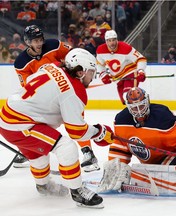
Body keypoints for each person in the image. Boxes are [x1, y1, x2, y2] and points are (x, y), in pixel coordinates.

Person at [0, 48, 114, 208]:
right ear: (80, 72)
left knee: (37, 155)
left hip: (9, 115)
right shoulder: (74, 90)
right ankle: (77, 191)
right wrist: (99, 132)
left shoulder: (53, 66)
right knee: (66, 147)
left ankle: (43, 186)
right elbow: (77, 131)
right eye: (91, 72)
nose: (92, 76)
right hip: (20, 124)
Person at [13, 25, 99, 172]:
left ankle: (88, 153)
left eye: (40, 39)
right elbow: (28, 85)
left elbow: (73, 56)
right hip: (48, 97)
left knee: (75, 123)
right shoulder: (21, 62)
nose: (39, 43)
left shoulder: (53, 45)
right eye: (35, 41)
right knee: (35, 123)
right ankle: (29, 149)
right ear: (28, 42)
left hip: (68, 90)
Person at [96, 30, 147, 104]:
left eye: (113, 40)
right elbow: (99, 64)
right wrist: (103, 75)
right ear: (106, 41)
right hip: (118, 79)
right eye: (109, 41)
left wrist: (141, 71)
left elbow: (141, 59)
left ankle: (140, 113)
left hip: (130, 74)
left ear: (117, 40)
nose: (112, 43)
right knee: (124, 101)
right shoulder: (100, 50)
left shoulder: (125, 47)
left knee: (128, 97)